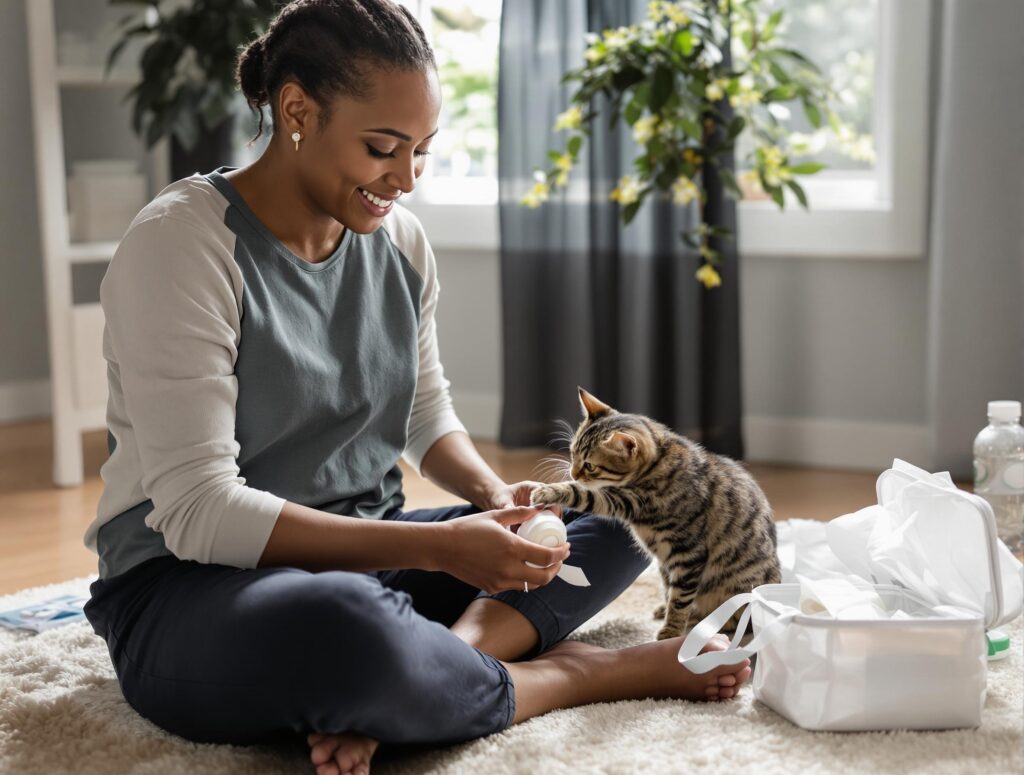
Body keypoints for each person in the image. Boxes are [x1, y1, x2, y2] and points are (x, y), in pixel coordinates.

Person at [81, 1, 752, 774]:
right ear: (296, 109)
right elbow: (200, 512)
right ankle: (571, 674)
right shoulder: (180, 245)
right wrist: (439, 546)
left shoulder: (395, 239)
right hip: (191, 589)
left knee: (627, 509)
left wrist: (499, 499)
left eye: (423, 152)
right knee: (348, 626)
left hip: (367, 556)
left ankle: (442, 666)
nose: (404, 179)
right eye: (382, 148)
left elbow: (424, 409)